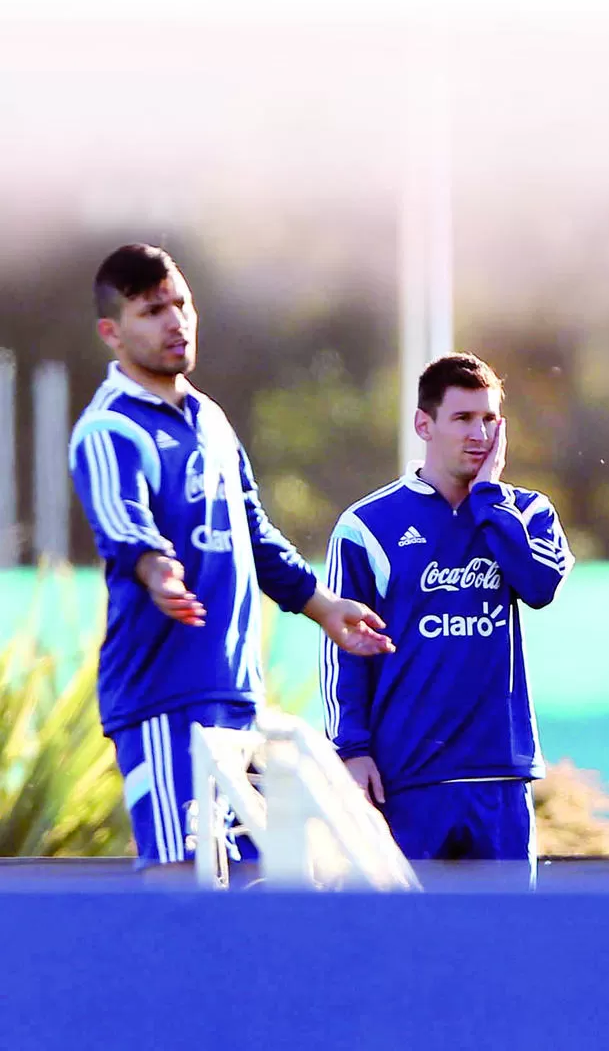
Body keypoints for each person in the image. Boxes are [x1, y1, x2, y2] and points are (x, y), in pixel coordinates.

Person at [69, 242, 394, 872]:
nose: (175, 321)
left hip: (236, 694)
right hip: (163, 696)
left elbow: (253, 530)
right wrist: (154, 566)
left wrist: (321, 604)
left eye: (181, 304)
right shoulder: (109, 429)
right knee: (179, 875)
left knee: (249, 879)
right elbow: (122, 523)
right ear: (112, 332)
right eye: (152, 311)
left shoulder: (212, 420)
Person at [320, 352, 574, 885]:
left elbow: (539, 585)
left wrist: (487, 497)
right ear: (424, 424)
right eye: (462, 418)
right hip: (408, 777)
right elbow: (345, 648)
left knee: (502, 949)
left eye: (489, 420)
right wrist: (352, 748)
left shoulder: (527, 513)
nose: (478, 433)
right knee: (409, 947)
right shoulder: (367, 525)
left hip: (499, 775)